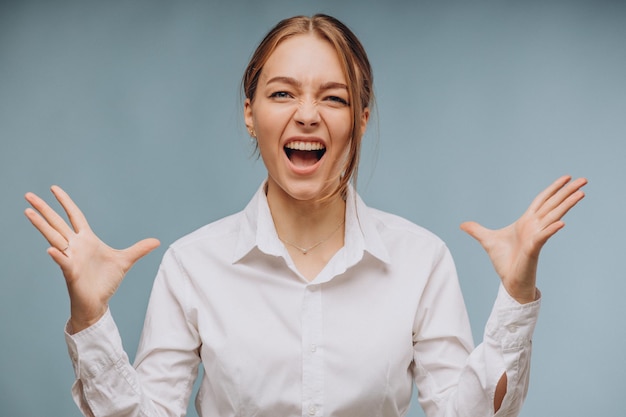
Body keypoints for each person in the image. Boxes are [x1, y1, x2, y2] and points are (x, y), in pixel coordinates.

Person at [25, 14, 586, 417]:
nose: (308, 115)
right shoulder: (193, 265)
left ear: (362, 117)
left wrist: (515, 300)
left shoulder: (421, 261)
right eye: (282, 94)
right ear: (250, 113)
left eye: (335, 98)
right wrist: (91, 319)